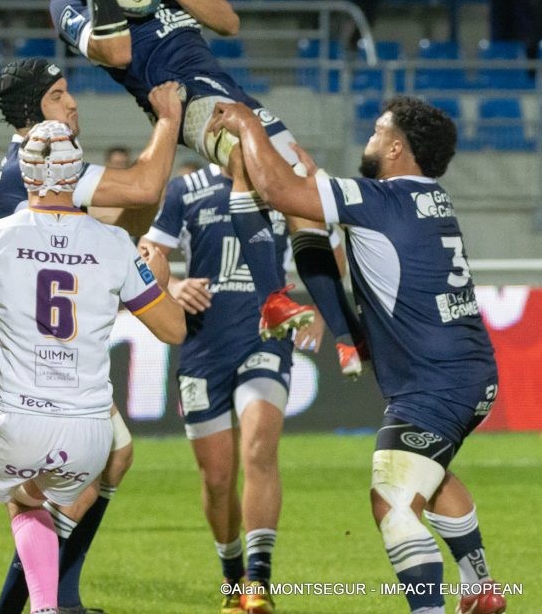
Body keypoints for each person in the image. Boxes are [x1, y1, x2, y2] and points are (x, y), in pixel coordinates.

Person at [46, 0, 367, 375]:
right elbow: (116, 55)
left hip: (225, 86)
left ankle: (343, 334)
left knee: (301, 184)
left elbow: (228, 21)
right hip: (181, 98)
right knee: (244, 157)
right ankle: (275, 299)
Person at [210, 96, 506, 614]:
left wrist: (247, 123)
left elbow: (280, 189)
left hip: (435, 382)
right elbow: (304, 204)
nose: (368, 139)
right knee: (429, 474)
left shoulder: (378, 200)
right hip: (467, 373)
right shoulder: (422, 198)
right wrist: (286, 159)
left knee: (390, 497)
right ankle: (479, 588)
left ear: (396, 148)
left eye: (376, 131)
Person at [0, 120, 185, 614]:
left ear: (25, 175)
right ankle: (44, 607)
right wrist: (159, 280)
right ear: (76, 173)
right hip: (87, 433)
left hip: (17, 414)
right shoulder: (114, 244)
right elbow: (174, 330)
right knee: (28, 500)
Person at [141, 163, 305, 614]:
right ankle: (233, 579)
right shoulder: (186, 190)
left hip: (264, 339)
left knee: (257, 450)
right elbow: (146, 256)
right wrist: (172, 283)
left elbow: (325, 250)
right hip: (203, 347)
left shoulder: (282, 181)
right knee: (216, 479)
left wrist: (328, 309)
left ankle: (259, 581)